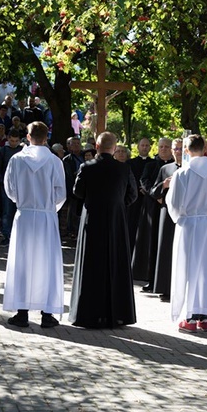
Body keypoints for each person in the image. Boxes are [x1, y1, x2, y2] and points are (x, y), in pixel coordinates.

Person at [70, 132, 138, 328]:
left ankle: (89, 314)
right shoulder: (124, 169)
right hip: (115, 222)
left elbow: (77, 192)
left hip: (92, 220)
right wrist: (116, 204)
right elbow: (132, 195)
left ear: (97, 147)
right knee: (115, 263)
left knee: (91, 265)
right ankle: (116, 314)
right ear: (114, 148)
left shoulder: (86, 167)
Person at [2, 122, 66, 327]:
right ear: (46, 138)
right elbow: (60, 193)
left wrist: (23, 202)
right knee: (46, 262)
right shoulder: (55, 161)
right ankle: (47, 314)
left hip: (25, 216)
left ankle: (22, 312)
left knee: (23, 262)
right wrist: (48, 208)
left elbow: (10, 190)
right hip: (46, 217)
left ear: (28, 137)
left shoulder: (16, 159)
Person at [167, 135, 207, 332]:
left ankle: (190, 318)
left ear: (187, 150)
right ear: (204, 148)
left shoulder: (182, 173)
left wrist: (179, 218)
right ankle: (205, 316)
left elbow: (174, 203)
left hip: (189, 224)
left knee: (188, 269)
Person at [133, 137, 174, 292]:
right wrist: (156, 195)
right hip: (152, 208)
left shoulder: (176, 166)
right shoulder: (151, 165)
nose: (163, 149)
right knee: (151, 242)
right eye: (161, 146)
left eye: (166, 147)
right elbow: (144, 181)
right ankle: (150, 279)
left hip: (168, 209)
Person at [149, 138, 183, 301]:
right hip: (166, 214)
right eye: (175, 149)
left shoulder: (190, 169)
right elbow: (154, 191)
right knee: (165, 249)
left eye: (180, 149)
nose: (177, 152)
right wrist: (164, 185)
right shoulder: (165, 168)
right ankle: (165, 288)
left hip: (184, 216)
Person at [0, 129, 23, 246]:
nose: (13, 143)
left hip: (21, 186)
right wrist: (2, 182)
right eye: (11, 140)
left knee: (19, 211)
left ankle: (18, 235)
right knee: (7, 211)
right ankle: (7, 235)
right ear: (8, 139)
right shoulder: (3, 151)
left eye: (16, 141)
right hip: (7, 186)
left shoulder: (22, 151)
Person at [128, 137, 151, 252]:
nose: (144, 147)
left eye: (147, 145)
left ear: (150, 147)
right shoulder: (130, 163)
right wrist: (137, 188)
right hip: (134, 199)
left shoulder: (153, 163)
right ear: (138, 147)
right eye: (142, 145)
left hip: (148, 199)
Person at [62, 136, 84, 238]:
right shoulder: (66, 159)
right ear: (68, 146)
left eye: (78, 143)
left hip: (84, 187)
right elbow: (67, 175)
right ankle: (72, 231)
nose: (76, 145)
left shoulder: (85, 156)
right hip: (72, 187)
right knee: (72, 210)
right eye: (73, 143)